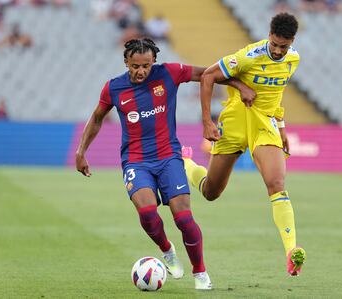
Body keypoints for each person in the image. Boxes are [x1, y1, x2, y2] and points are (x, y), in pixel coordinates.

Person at [75, 38, 252, 290]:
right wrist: (81, 151)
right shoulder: (113, 88)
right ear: (126, 62)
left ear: (153, 62)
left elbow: (207, 74)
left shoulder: (169, 73)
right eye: (135, 66)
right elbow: (96, 118)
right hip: (136, 161)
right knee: (147, 213)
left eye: (146, 65)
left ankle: (200, 272)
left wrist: (238, 84)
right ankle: (167, 250)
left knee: (184, 218)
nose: (141, 71)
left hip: (169, 157)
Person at [182, 13, 307, 276]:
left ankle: (291, 252)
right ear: (269, 35)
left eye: (283, 46)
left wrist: (282, 127)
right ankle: (185, 163)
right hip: (236, 120)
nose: (277, 50)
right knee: (210, 192)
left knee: (277, 184)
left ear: (292, 42)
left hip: (264, 124)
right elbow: (207, 76)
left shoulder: (292, 59)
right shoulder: (249, 56)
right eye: (274, 44)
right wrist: (208, 121)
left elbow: (276, 94)